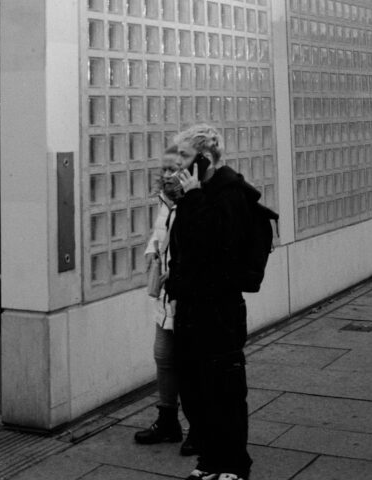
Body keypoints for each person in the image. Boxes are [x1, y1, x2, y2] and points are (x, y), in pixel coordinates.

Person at [166, 124, 253, 480]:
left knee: (224, 391)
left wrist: (193, 199)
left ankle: (234, 466)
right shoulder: (195, 195)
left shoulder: (231, 193)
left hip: (219, 311)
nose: (177, 164)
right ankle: (210, 462)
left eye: (185, 157)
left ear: (204, 159)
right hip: (190, 308)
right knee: (195, 390)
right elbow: (183, 249)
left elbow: (217, 246)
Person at [134, 148, 197, 455]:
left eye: (175, 170)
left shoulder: (196, 201)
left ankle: (199, 428)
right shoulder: (165, 200)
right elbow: (161, 232)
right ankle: (168, 421)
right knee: (163, 356)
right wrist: (152, 250)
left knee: (192, 362)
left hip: (187, 294)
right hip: (166, 292)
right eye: (166, 171)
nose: (169, 176)